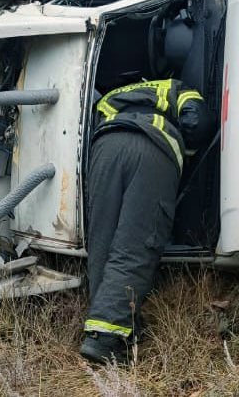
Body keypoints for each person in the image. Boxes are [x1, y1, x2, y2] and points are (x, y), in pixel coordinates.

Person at [80, 78, 214, 364]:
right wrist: (186, 156)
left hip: (104, 148)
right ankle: (106, 340)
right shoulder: (176, 86)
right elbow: (197, 121)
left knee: (101, 240)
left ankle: (109, 324)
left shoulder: (113, 93)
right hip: (153, 146)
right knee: (136, 243)